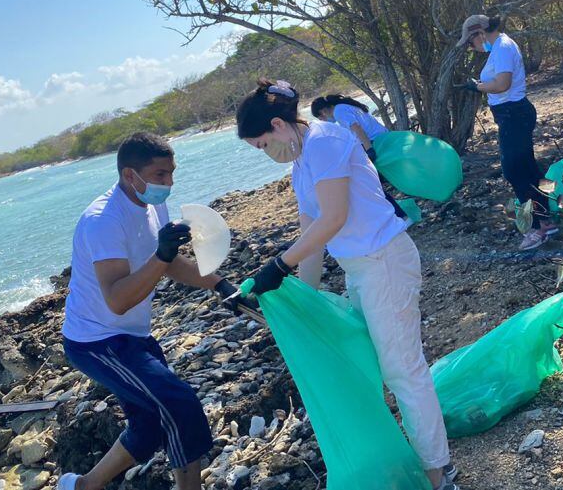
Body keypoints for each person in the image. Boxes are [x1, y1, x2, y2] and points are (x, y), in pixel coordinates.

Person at [237, 80, 459, 490]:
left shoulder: (324, 142)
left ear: (278, 125)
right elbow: (311, 236)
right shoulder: (302, 161)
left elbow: (333, 218)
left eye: (262, 145)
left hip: (385, 260)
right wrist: (302, 297)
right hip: (362, 268)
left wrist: (277, 266)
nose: (266, 154)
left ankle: (437, 472)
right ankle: (422, 459)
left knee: (402, 370)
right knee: (372, 359)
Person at [57, 132, 249, 490]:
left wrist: (221, 285)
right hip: (96, 341)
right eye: (160, 175)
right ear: (131, 175)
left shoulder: (152, 205)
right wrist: (161, 255)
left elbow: (169, 262)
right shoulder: (102, 221)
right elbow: (117, 298)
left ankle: (82, 486)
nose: (169, 183)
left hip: (132, 335)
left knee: (148, 426)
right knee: (179, 405)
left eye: (172, 173)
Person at [456, 14, 557, 250]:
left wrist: (477, 86)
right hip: (511, 115)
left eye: (470, 43)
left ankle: (536, 229)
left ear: (479, 33)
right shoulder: (500, 47)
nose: (472, 48)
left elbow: (502, 84)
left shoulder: (501, 47)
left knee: (515, 171)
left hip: (514, 114)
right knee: (527, 169)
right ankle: (546, 221)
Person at [310, 94, 408, 220]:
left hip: (374, 143)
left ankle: (400, 216)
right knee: (379, 182)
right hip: (383, 138)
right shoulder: (346, 106)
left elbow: (357, 128)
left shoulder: (339, 111)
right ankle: (398, 214)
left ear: (323, 111)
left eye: (320, 118)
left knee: (373, 184)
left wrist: (369, 150)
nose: (323, 121)